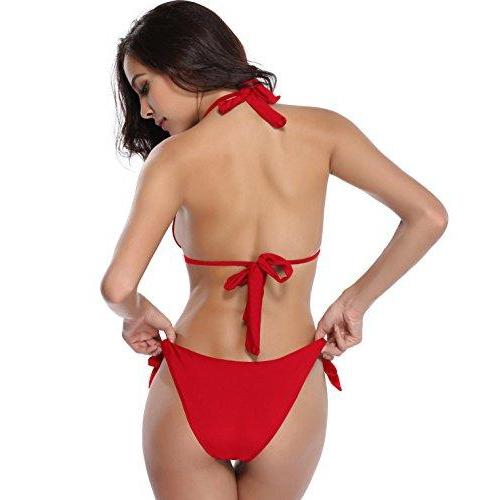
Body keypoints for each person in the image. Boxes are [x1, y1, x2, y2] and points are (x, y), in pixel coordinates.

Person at [100, 1, 448, 498]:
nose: (144, 111)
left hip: (193, 384)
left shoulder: (173, 159)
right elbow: (428, 216)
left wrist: (135, 314)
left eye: (143, 87)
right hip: (293, 388)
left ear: (182, 61)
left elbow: (118, 287)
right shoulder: (325, 130)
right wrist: (354, 303)